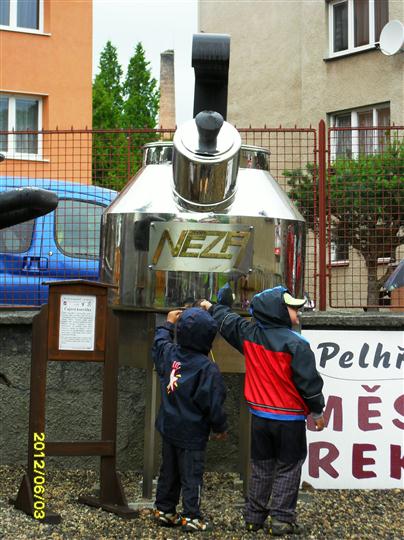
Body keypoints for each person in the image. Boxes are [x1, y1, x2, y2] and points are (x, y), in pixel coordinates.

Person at [200, 285, 325, 536]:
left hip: (260, 417)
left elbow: (227, 320)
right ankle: (281, 519)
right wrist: (317, 411)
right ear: (278, 311)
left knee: (261, 467)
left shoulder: (249, 334)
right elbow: (309, 384)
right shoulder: (297, 344)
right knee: (289, 467)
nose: (297, 312)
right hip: (289, 419)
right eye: (292, 308)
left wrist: (211, 307)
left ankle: (253, 518)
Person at [152, 307, 228, 533]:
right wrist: (220, 427)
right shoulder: (207, 368)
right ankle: (191, 516)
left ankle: (164, 510)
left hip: (169, 427)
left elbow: (159, 343)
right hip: (192, 434)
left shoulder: (170, 354)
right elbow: (214, 403)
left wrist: (168, 324)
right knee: (191, 475)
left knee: (169, 471)